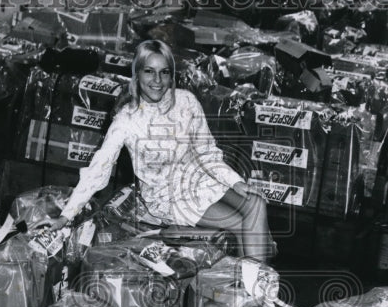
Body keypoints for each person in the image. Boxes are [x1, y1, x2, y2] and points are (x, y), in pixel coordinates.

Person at [45, 39, 275, 262]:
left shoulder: (186, 101)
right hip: (169, 196)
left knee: (257, 203)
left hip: (201, 179)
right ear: (137, 75)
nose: (157, 80)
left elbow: (206, 152)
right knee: (238, 222)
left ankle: (256, 288)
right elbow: (98, 169)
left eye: (164, 72)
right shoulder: (126, 120)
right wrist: (67, 214)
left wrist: (235, 182)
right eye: (149, 71)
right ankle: (258, 291)